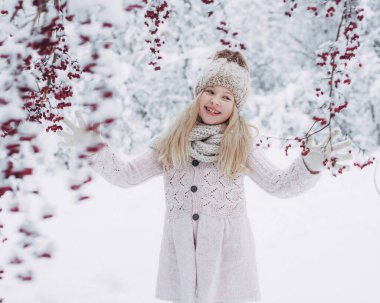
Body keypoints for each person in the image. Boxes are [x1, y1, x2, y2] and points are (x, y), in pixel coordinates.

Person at [57, 49, 352, 303]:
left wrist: (310, 162)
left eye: (227, 97)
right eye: (210, 91)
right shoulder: (171, 142)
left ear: (236, 106)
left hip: (228, 265)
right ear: (198, 94)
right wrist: (93, 148)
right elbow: (127, 175)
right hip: (182, 260)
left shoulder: (240, 144)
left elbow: (279, 185)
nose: (215, 101)